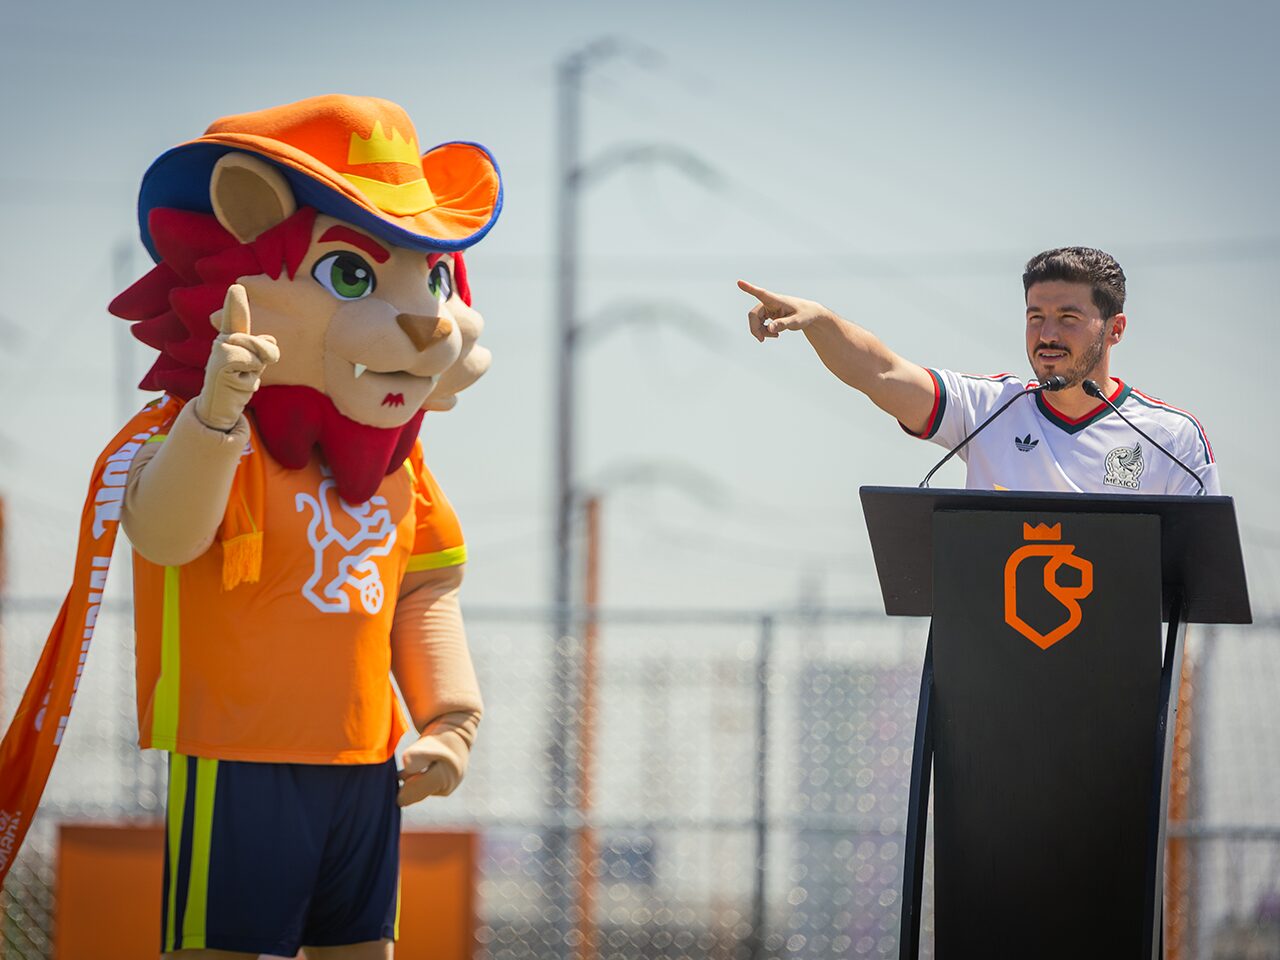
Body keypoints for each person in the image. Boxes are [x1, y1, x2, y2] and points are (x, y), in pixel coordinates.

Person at [739, 246, 1218, 495]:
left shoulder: (1170, 438)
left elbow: (1192, 588)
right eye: (1035, 316)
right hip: (990, 677)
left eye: (1067, 318)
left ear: (1115, 329)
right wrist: (821, 320)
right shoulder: (989, 408)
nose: (1047, 333)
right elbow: (880, 373)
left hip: (1117, 682)